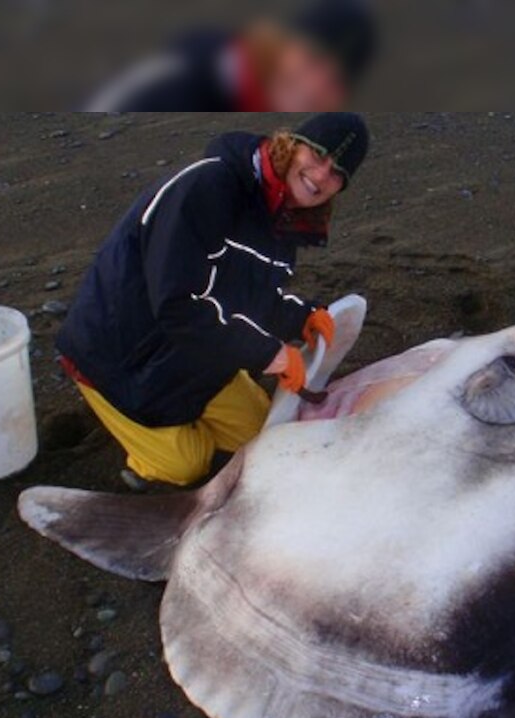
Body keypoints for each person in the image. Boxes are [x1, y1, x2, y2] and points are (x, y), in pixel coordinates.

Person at [56, 112, 370, 491]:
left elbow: (249, 292)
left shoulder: (287, 218)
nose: (321, 176)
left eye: (337, 172)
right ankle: (142, 451)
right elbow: (177, 304)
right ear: (293, 145)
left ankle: (172, 422)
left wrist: (298, 317)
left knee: (259, 434)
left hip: (191, 353)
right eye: (318, 156)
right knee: (187, 464)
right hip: (119, 356)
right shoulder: (209, 185)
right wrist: (268, 353)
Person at [84, 0, 376, 113]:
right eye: (312, 58)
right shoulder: (175, 81)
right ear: (280, 42)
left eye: (335, 83)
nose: (314, 86)